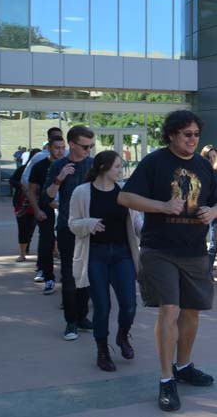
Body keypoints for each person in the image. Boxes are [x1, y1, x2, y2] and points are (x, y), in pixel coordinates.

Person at [118, 110, 217, 412]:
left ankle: (184, 366)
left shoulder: (204, 165)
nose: (193, 139)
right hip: (160, 249)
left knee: (191, 312)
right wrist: (162, 206)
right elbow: (125, 198)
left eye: (196, 134)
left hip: (194, 251)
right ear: (172, 135)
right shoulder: (155, 162)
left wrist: (214, 212)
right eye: (187, 134)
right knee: (170, 310)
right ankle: (167, 380)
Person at [69, 151, 141, 372]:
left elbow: (137, 221)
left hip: (122, 254)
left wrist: (150, 231)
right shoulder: (82, 192)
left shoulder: (124, 192)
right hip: (96, 255)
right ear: (103, 167)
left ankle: (122, 335)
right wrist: (89, 223)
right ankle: (102, 350)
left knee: (129, 304)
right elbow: (72, 223)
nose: (121, 170)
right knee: (102, 307)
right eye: (117, 166)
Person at [43, 126, 95, 340]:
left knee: (88, 274)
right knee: (70, 274)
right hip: (67, 227)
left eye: (91, 146)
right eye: (84, 146)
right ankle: (71, 322)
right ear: (72, 144)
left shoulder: (94, 165)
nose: (88, 150)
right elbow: (47, 196)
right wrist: (59, 178)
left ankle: (82, 316)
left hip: (91, 228)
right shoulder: (58, 165)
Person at [28, 136, 66, 292]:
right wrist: (37, 210)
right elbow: (31, 191)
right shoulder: (39, 167)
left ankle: (68, 278)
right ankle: (49, 278)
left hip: (65, 211)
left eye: (63, 147)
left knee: (66, 245)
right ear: (49, 148)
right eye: (57, 147)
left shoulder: (69, 165)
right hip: (46, 211)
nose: (60, 151)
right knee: (46, 244)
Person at [9, 149, 41, 262]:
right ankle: (23, 252)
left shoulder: (44, 169)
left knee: (33, 228)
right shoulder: (23, 169)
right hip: (23, 204)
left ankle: (54, 250)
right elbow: (12, 181)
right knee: (23, 227)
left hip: (39, 204)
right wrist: (21, 186)